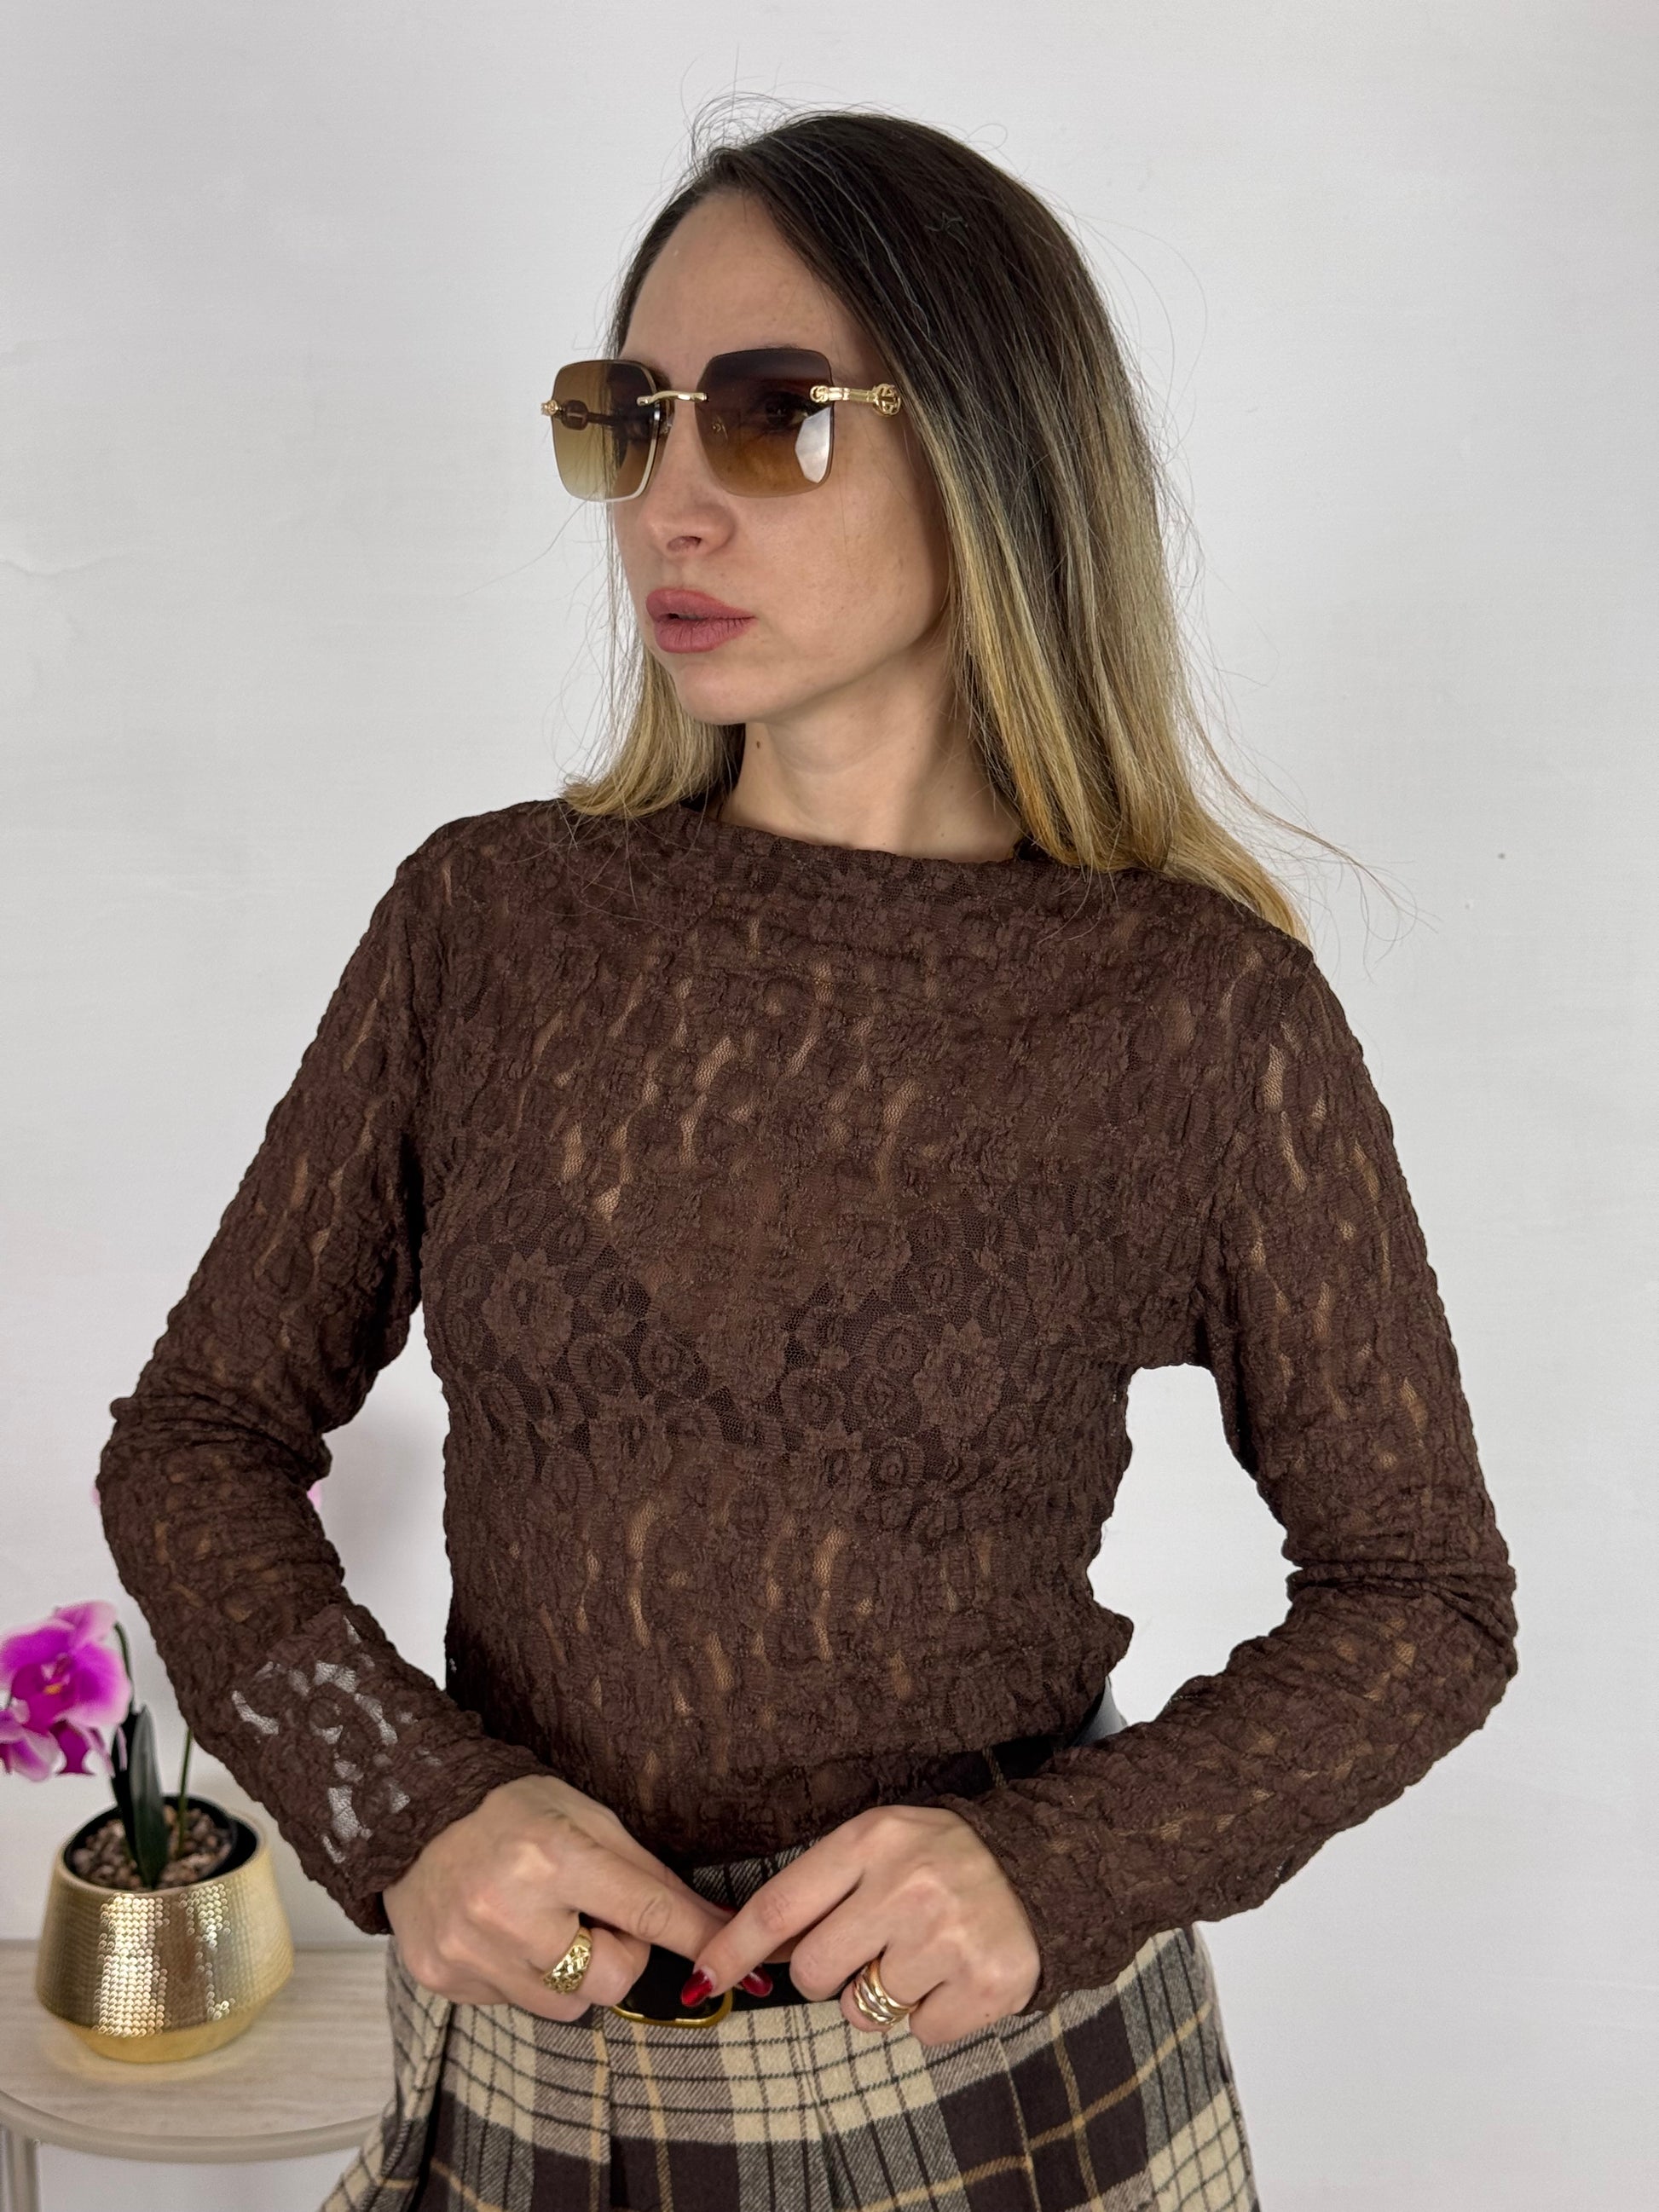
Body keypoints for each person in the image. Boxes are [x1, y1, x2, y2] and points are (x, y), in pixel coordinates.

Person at [95, 107, 1518, 2212]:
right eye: (628, 418)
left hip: (997, 2105)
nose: (669, 501)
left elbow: (1424, 1596)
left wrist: (1059, 1860)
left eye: (773, 417)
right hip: (536, 2078)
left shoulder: (1194, 1012)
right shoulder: (486, 925)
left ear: (995, 448)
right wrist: (408, 1808)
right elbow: (199, 1436)